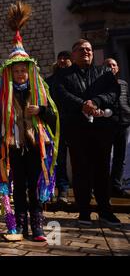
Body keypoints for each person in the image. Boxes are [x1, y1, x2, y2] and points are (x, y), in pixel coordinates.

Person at [0, 1, 59, 242]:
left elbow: (53, 117)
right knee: (17, 186)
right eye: (16, 71)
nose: (20, 74)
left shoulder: (39, 92)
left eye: (23, 71)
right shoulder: (4, 96)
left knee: (34, 184)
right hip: (13, 147)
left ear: (29, 71)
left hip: (35, 145)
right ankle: (18, 224)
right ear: (10, 73)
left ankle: (37, 224)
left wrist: (39, 110)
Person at [54, 39, 121, 226]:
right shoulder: (63, 75)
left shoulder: (104, 73)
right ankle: (84, 211)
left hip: (101, 131)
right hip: (77, 131)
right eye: (81, 50)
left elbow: (113, 92)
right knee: (80, 171)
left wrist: (96, 102)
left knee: (102, 171)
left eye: (89, 49)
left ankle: (105, 211)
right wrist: (82, 105)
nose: (86, 52)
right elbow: (61, 94)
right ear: (73, 54)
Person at [45, 51, 72, 205]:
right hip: (56, 126)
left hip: (75, 124)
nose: (62, 60)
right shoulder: (50, 81)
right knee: (59, 159)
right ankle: (62, 190)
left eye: (66, 58)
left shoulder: (75, 78)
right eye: (60, 58)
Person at [104, 58, 130, 198]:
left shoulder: (123, 84)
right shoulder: (100, 84)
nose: (111, 67)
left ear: (118, 68)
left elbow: (127, 100)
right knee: (105, 157)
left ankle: (116, 186)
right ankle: (103, 186)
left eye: (114, 65)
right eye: (108, 65)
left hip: (124, 123)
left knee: (120, 158)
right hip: (108, 124)